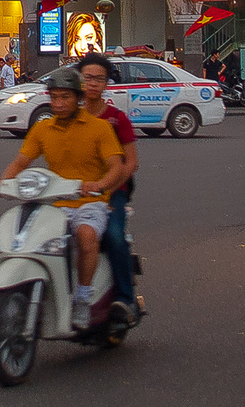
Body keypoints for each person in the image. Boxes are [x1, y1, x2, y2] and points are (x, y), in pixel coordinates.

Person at [0, 68, 126, 330]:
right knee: (25, 240)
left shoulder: (99, 128)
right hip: (54, 203)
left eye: (65, 97)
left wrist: (99, 185)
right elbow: (21, 161)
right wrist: (4, 182)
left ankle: (83, 298)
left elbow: (116, 166)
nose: (58, 104)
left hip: (90, 202)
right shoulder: (42, 128)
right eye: (54, 98)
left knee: (86, 236)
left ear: (78, 98)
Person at [76, 54, 141, 318]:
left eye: (98, 79)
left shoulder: (116, 119)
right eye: (87, 78)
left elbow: (131, 163)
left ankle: (126, 299)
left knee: (114, 237)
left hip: (111, 193)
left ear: (106, 84)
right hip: (74, 192)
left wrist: (107, 187)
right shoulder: (69, 117)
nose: (92, 84)